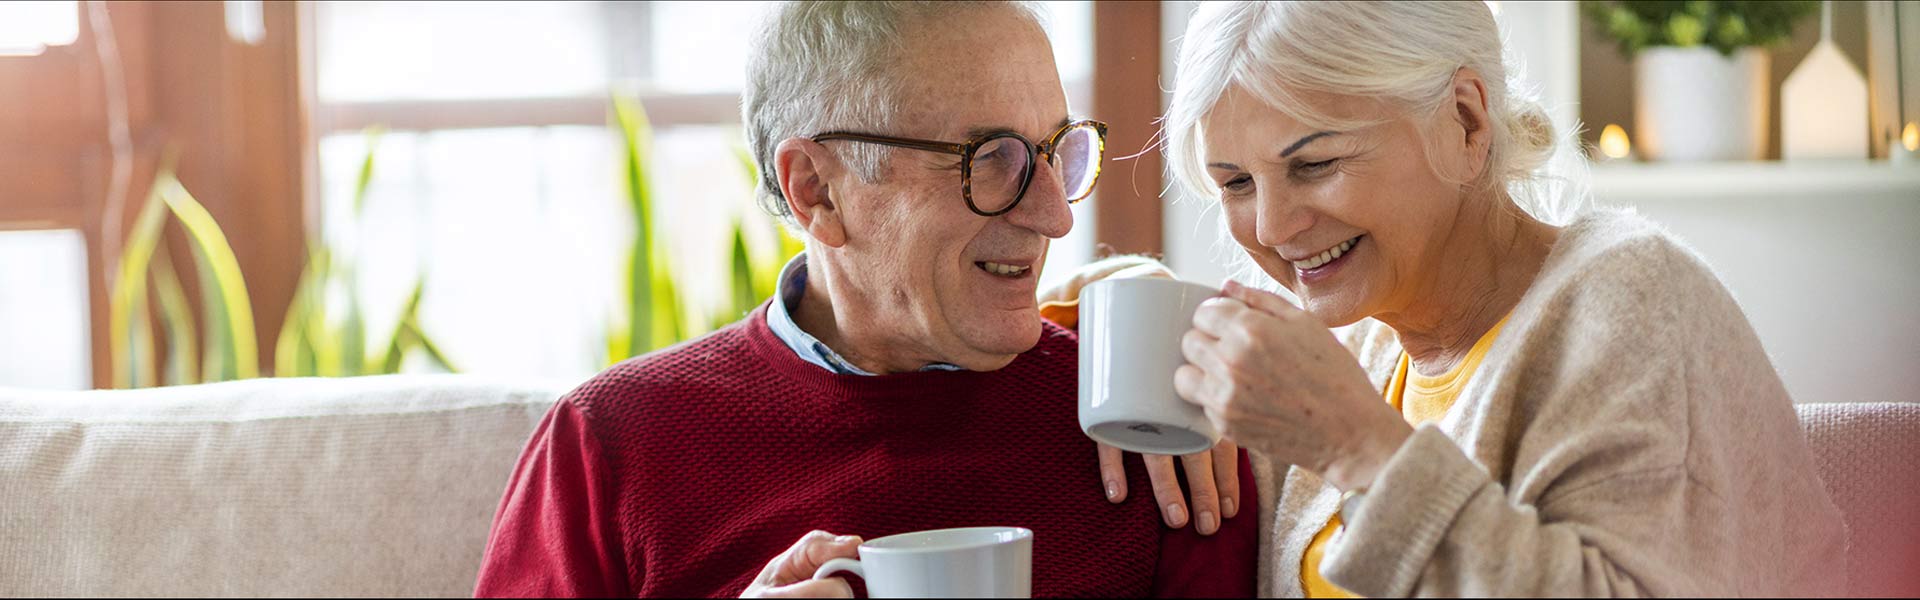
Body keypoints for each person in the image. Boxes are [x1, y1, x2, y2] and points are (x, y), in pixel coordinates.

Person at [472, 2, 1256, 597]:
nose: (1056, 214)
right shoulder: (607, 445)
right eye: (993, 161)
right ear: (817, 191)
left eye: (1056, 151)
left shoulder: (1146, 430)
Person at [1149, 2, 1848, 596]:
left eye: (1316, 164)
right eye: (1237, 183)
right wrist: (1126, 296)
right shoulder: (1355, 347)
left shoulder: (1631, 303)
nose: (1271, 227)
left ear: (1465, 124)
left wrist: (1359, 447)